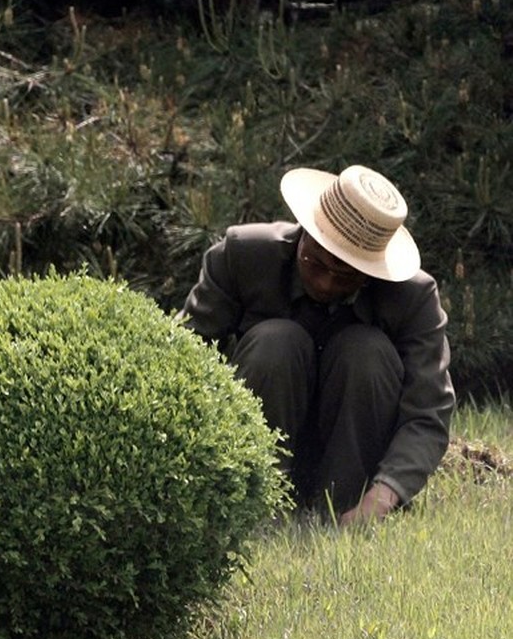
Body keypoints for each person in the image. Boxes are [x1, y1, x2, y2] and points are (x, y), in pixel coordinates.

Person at [179, 164, 455, 525]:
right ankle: (258, 505)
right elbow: (184, 363)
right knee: (276, 341)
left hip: (356, 458)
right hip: (255, 436)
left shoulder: (413, 297)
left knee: (367, 351)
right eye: (315, 263)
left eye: (346, 275)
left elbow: (428, 413)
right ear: (304, 231)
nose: (325, 284)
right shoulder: (240, 256)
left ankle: (339, 510)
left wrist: (383, 496)